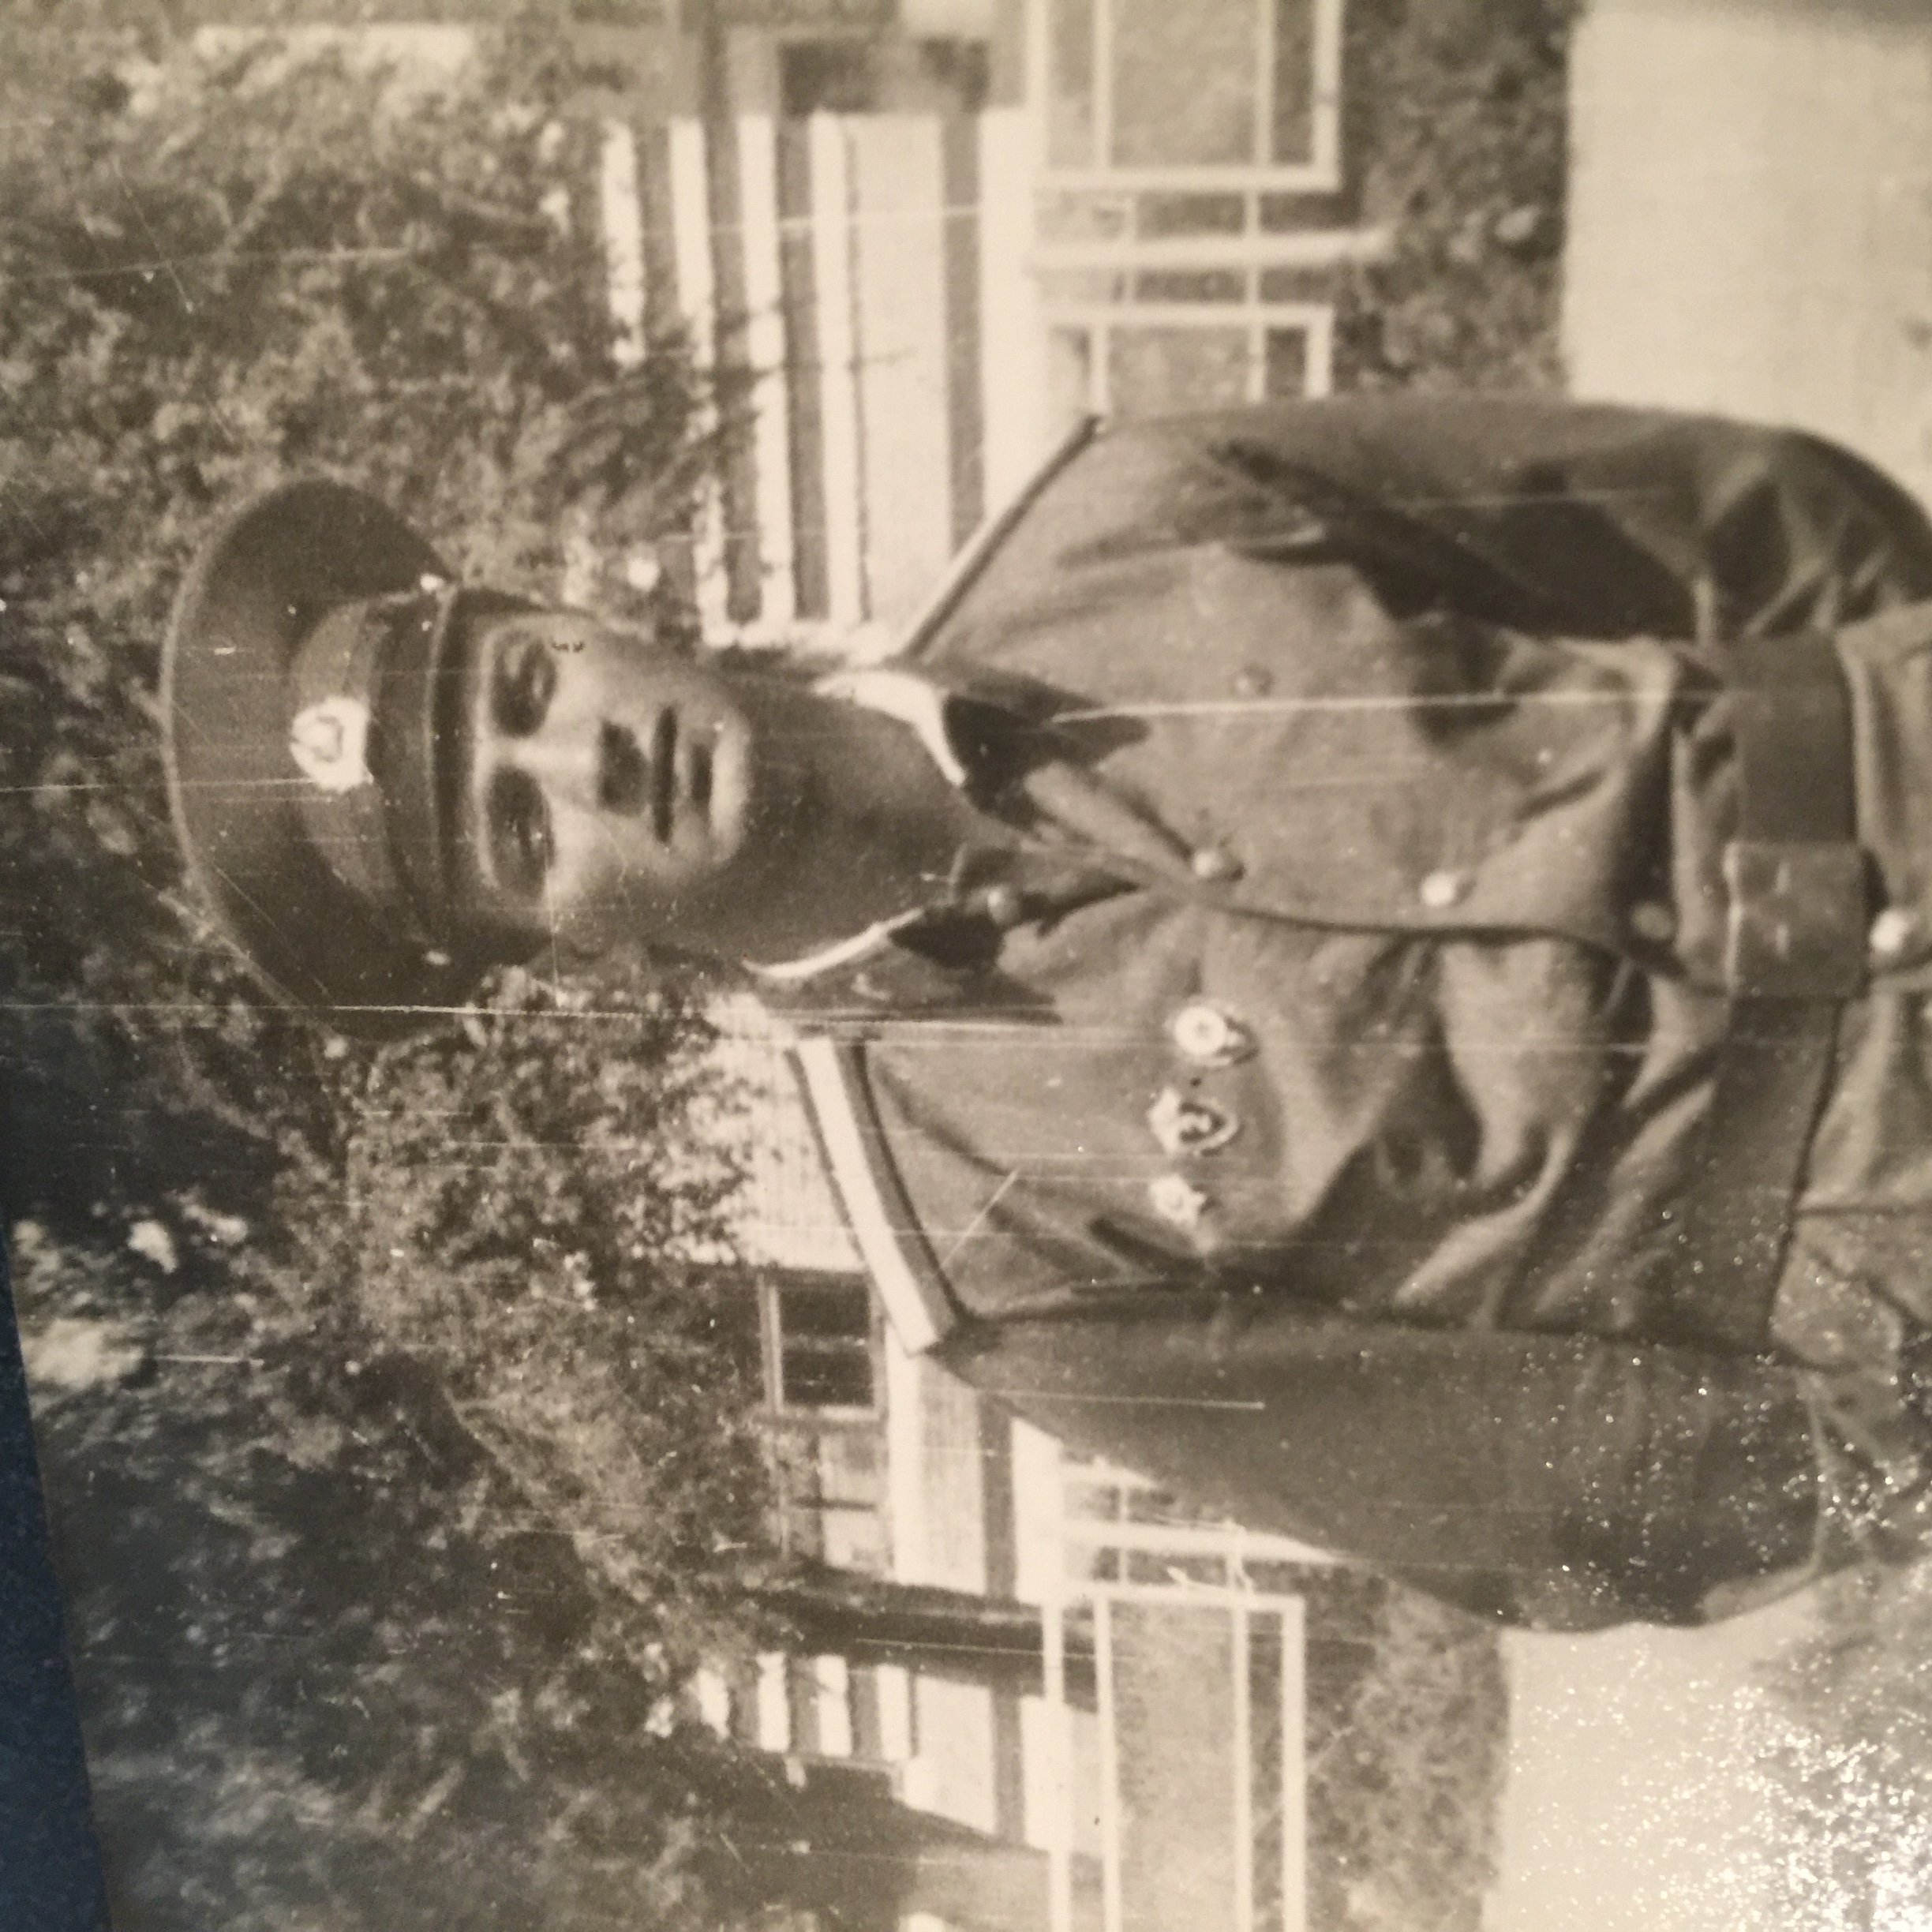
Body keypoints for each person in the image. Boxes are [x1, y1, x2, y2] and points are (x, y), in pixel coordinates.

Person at [163, 395, 1932, 1630]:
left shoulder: (1134, 515)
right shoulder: (990, 1266)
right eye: (519, 829)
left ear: (563, 611)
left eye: (524, 685)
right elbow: (1565, 1502)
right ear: (549, 947)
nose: (588, 760)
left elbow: (1742, 515)